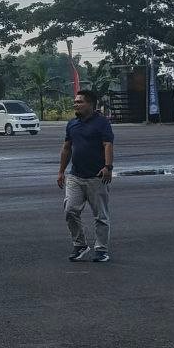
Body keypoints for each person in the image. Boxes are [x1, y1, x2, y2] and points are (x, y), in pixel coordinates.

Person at [58, 89, 115, 262]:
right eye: (75, 102)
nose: (76, 104)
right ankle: (80, 245)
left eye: (80, 102)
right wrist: (61, 171)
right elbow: (67, 148)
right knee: (70, 210)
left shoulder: (102, 123)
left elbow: (107, 144)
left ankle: (101, 249)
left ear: (90, 104)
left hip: (96, 177)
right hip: (75, 176)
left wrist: (108, 167)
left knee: (100, 216)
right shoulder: (72, 124)